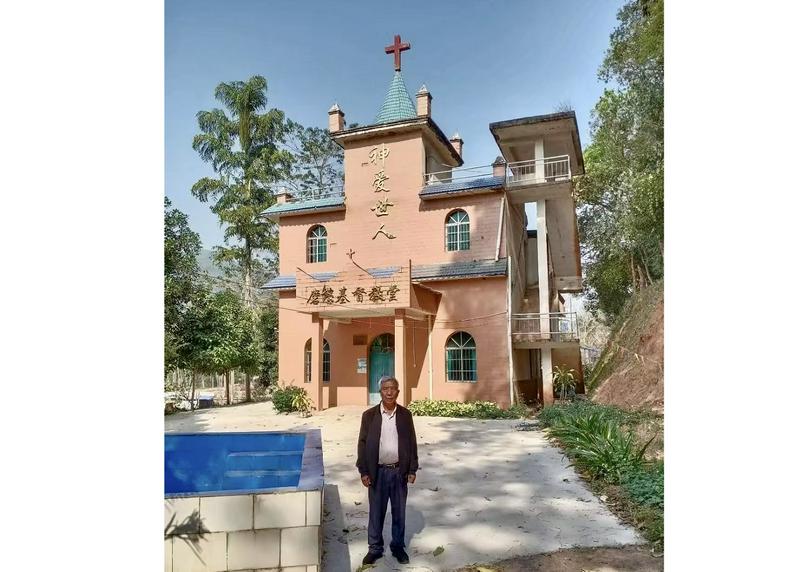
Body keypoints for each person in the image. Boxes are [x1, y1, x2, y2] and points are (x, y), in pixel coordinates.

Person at [356, 375, 419, 565]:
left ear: (398, 392)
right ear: (380, 392)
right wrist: (364, 471)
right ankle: (374, 549)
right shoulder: (369, 416)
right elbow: (362, 444)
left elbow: (412, 442)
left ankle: (398, 547)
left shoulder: (405, 415)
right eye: (385, 388)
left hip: (399, 472)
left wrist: (412, 469)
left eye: (392, 388)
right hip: (378, 472)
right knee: (376, 512)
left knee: (399, 512)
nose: (389, 392)